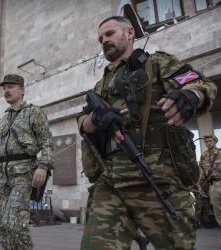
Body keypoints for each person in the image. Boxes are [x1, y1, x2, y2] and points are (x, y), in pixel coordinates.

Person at [78, 16, 217, 249]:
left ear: (130, 32)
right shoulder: (100, 86)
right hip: (112, 181)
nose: (104, 41)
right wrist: (96, 117)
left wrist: (191, 96)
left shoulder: (157, 63)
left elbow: (200, 85)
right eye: (100, 38)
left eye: (110, 34)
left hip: (159, 179)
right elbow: (82, 123)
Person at [0, 74, 54, 250]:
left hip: (23, 174)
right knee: (1, 226)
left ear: (22, 90)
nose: (6, 90)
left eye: (11, 87)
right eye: (4, 87)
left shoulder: (33, 112)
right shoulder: (4, 118)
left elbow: (47, 142)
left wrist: (43, 166)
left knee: (14, 222)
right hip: (2, 178)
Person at [199, 134, 221, 226]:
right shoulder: (204, 155)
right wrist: (199, 186)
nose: (208, 143)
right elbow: (201, 172)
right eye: (206, 141)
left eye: (210, 141)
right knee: (217, 208)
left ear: (215, 141)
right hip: (213, 184)